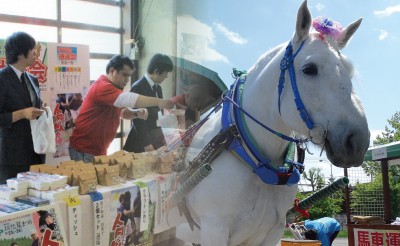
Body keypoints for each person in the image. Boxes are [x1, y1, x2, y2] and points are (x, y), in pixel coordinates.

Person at [69, 55, 174, 162]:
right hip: (84, 149)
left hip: (98, 148)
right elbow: (127, 99)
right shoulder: (102, 86)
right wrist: (160, 102)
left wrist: (136, 113)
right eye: (124, 75)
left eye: (129, 76)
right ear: (112, 71)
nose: (127, 80)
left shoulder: (114, 89)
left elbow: (122, 112)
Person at [0, 32, 45, 183]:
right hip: (11, 155)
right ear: (20, 54)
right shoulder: (2, 78)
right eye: (32, 49)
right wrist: (22, 113)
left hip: (35, 150)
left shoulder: (32, 79)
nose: (35, 53)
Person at [123, 53, 174, 153]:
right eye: (166, 73)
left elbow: (159, 113)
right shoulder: (138, 86)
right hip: (140, 141)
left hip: (154, 137)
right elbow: (137, 120)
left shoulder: (158, 88)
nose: (167, 76)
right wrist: (147, 144)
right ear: (156, 71)